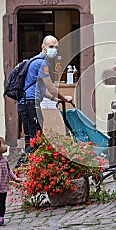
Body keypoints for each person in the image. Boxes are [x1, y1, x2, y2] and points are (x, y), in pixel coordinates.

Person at [16, 35, 72, 167]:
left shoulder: (36, 61)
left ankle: (27, 170)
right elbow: (51, 88)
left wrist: (54, 98)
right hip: (30, 104)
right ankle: (17, 169)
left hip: (25, 103)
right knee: (37, 140)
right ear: (43, 47)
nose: (54, 50)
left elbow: (41, 90)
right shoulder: (42, 63)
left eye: (56, 47)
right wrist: (65, 98)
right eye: (51, 47)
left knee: (31, 140)